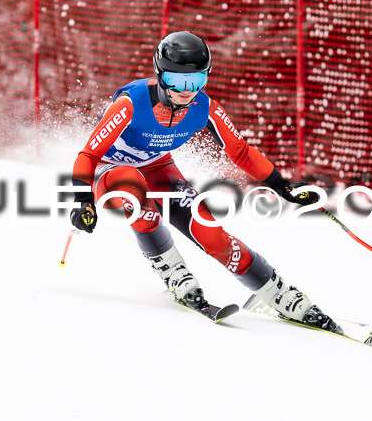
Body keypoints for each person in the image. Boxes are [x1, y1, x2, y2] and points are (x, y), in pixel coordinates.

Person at [69, 31, 336, 330]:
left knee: (212, 234)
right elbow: (88, 155)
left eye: (196, 81)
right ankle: (173, 271)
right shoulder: (130, 104)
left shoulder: (205, 108)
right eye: (177, 80)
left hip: (158, 169)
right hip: (111, 173)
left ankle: (276, 292)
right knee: (135, 191)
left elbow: (242, 152)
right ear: (160, 75)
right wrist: (83, 201)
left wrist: (280, 183)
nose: (186, 91)